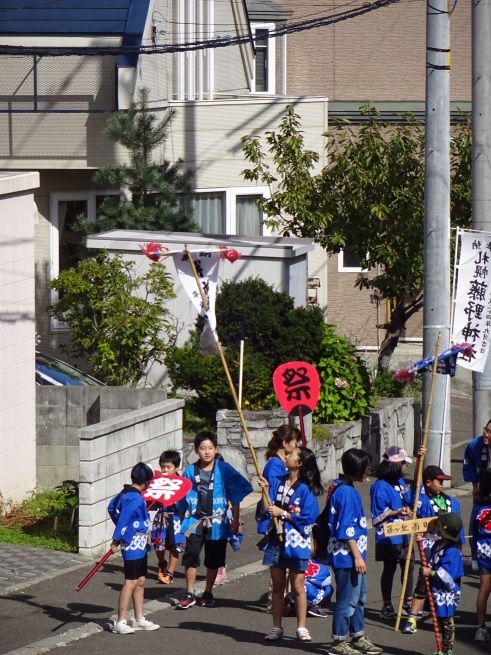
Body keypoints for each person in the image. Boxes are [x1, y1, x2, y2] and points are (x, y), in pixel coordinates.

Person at [176, 431, 253, 609]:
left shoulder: (224, 469)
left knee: (213, 558)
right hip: (194, 521)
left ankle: (208, 591)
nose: (207, 452)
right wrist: (181, 521)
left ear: (216, 449)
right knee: (191, 555)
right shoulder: (189, 471)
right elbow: (181, 498)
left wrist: (235, 518)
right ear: (196, 450)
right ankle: (189, 591)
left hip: (217, 522)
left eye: (210, 448)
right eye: (203, 448)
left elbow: (235, 494)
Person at [258, 445, 323, 642]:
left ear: (300, 463)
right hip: (276, 539)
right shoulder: (278, 482)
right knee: (278, 585)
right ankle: (276, 626)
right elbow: (267, 508)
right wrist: (265, 491)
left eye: (292, 454)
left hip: (296, 541)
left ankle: (301, 626)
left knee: (297, 585)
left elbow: (308, 517)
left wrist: (283, 513)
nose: (287, 455)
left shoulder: (305, 489)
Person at [327, 448, 383, 655]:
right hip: (347, 556)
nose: (369, 470)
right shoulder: (347, 492)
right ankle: (338, 642)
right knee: (347, 599)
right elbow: (347, 529)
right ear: (358, 468)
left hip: (349, 555)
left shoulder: (339, 485)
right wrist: (357, 556)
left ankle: (358, 635)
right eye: (367, 467)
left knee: (358, 597)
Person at [402, 465, 464, 635]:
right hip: (429, 546)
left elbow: (458, 526)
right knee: (424, 580)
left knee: (445, 582)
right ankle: (412, 617)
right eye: (440, 481)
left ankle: (443, 616)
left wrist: (460, 545)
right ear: (428, 482)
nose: (442, 485)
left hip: (449, 547)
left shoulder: (452, 502)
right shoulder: (420, 500)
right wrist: (408, 511)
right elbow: (411, 494)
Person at [107, 461, 160, 634]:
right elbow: (123, 518)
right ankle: (120, 621)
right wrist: (117, 539)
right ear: (147, 481)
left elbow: (112, 507)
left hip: (140, 542)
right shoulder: (135, 498)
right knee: (131, 581)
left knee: (141, 580)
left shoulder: (125, 493)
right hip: (132, 542)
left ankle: (139, 618)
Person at [370, 446, 413, 619]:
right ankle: (387, 605)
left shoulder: (401, 482)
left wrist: (409, 508)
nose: (405, 467)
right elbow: (377, 515)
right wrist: (396, 512)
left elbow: (410, 499)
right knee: (390, 568)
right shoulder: (379, 486)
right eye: (403, 463)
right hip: (388, 534)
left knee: (408, 566)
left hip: (405, 532)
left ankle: (408, 603)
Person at [419, 512, 464, 655]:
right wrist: (419, 540)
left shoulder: (452, 551)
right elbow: (432, 559)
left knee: (446, 621)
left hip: (446, 592)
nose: (436, 527)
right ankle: (441, 649)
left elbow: (448, 575)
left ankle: (447, 650)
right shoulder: (439, 543)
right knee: (438, 620)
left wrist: (430, 573)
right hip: (437, 589)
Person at [152, 450, 184, 585]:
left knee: (175, 546)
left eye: (168, 467)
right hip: (161, 516)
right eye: (162, 466)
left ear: (176, 467)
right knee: (158, 544)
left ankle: (170, 571)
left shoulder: (182, 483)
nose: (165, 470)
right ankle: (161, 562)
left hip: (176, 518)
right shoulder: (157, 481)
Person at [463, 419, 491, 568]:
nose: (486, 434)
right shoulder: (476, 444)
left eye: (490, 432)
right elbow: (470, 461)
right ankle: (476, 558)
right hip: (482, 491)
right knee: (476, 523)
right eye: (485, 430)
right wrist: (474, 485)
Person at [283, 546, 333, 618]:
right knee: (329, 588)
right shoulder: (324, 569)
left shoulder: (305, 562)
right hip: (310, 592)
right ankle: (314, 606)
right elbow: (325, 583)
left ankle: (293, 606)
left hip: (296, 590)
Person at [473, 469, 491, 641]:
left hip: (484, 549)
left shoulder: (479, 505)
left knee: (484, 590)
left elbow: (473, 531)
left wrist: (473, 555)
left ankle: (480, 628)